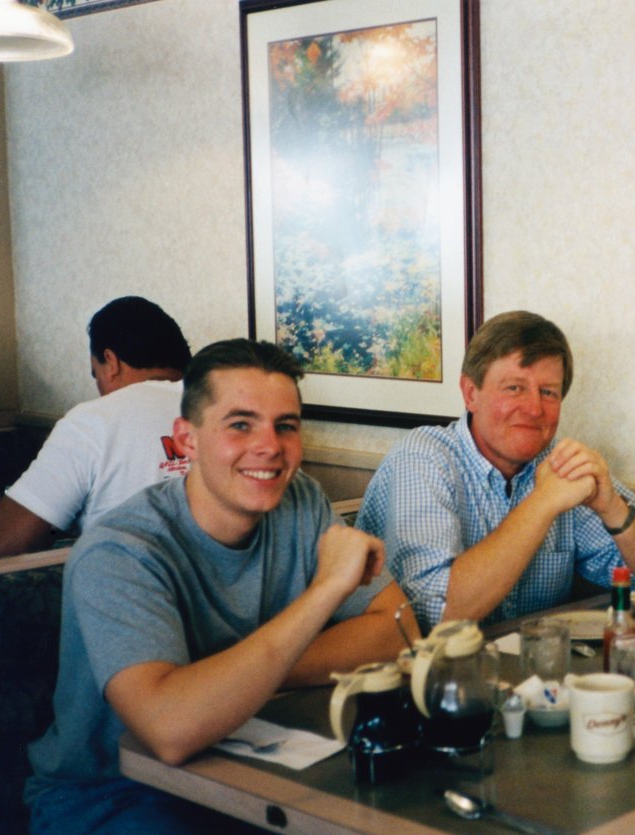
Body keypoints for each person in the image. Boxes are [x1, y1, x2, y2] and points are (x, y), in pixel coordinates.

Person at [25, 339, 416, 834]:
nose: (269, 446)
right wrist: (324, 593)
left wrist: (240, 681)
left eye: (286, 426)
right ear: (185, 440)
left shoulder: (299, 501)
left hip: (257, 771)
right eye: (240, 424)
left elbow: (397, 631)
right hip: (115, 797)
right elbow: (170, 730)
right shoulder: (121, 550)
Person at [356, 310, 635, 631]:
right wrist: (543, 503)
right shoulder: (423, 457)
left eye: (548, 393)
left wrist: (612, 507)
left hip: (531, 674)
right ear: (471, 393)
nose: (533, 409)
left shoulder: (554, 462)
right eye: (514, 388)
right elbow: (439, 611)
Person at [0, 296, 193, 558]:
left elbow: (8, 543)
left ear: (111, 362)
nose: (99, 389)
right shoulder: (222, 406)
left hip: (128, 590)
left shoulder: (93, 421)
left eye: (95, 375)